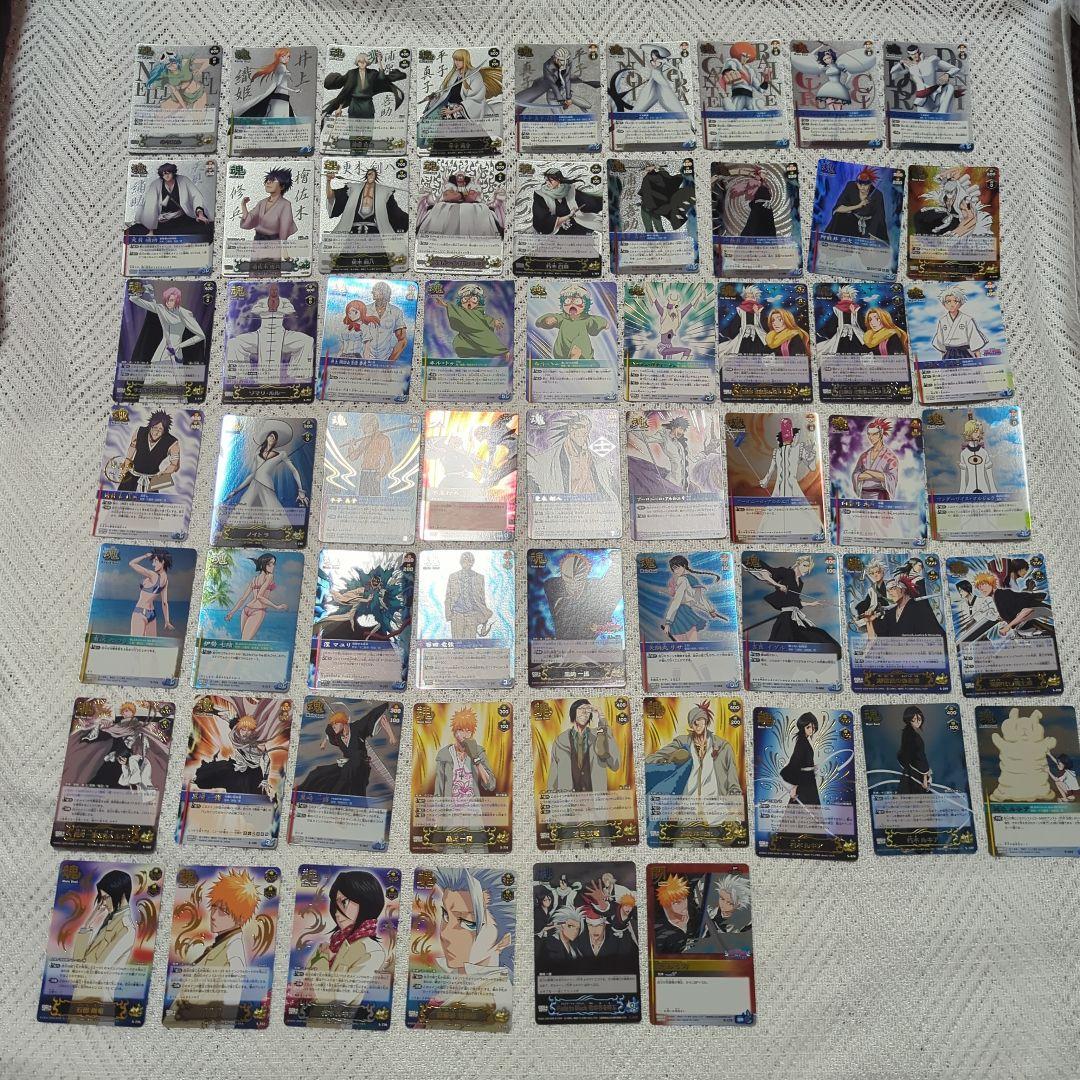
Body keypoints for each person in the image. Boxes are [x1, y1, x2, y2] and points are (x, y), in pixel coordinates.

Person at [430, 867, 513, 1016]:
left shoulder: (492, 997)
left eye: (468, 922)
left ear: (503, 941)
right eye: (446, 916)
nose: (444, 933)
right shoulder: (454, 980)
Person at [646, 701, 742, 825]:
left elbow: (733, 781)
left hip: (716, 809)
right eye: (693, 722)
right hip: (688, 808)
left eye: (699, 720)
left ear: (706, 721)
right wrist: (670, 761)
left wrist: (735, 807)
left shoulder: (723, 746)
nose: (696, 724)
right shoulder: (682, 742)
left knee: (719, 836)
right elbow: (653, 758)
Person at [304, 870, 388, 1008]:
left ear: (366, 901)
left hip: (336, 1019)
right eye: (335, 904)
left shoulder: (371, 951)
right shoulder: (335, 942)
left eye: (344, 902)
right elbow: (304, 982)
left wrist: (323, 958)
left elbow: (334, 1001)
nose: (337, 913)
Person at [221, 421, 310, 533]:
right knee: (242, 508)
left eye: (275, 437)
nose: (272, 438)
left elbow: (294, 470)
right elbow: (252, 475)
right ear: (267, 437)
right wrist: (235, 491)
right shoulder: (257, 454)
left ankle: (282, 535)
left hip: (267, 486)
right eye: (271, 436)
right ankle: (230, 533)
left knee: (275, 514)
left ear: (276, 441)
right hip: (254, 485)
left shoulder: (281, 454)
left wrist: (301, 490)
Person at [742, 555, 842, 654]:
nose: (806, 569)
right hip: (786, 618)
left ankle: (830, 653)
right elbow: (766, 575)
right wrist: (778, 585)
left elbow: (795, 601)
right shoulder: (786, 572)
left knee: (815, 634)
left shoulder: (800, 583)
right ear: (798, 564)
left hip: (794, 616)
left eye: (808, 567)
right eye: (804, 565)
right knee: (784, 641)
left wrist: (812, 604)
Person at [296, 703, 396, 799]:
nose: (334, 726)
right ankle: (299, 792)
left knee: (347, 774)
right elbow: (328, 733)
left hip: (361, 766)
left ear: (343, 722)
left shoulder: (357, 728)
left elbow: (376, 717)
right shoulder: (338, 737)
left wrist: (391, 735)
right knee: (319, 772)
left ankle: (333, 797)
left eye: (336, 723)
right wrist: (324, 742)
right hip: (348, 764)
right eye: (333, 725)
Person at [225, 283, 314, 386]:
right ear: (269, 291)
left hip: (281, 334)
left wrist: (277, 309)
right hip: (261, 334)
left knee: (307, 341)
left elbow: (290, 309)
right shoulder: (262, 301)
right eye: (272, 290)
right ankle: (238, 378)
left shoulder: (284, 301)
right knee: (234, 343)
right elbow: (255, 310)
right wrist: (267, 308)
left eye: (275, 290)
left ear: (278, 290)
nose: (274, 291)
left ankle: (300, 376)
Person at [126, 284, 206, 387]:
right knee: (152, 386)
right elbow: (133, 299)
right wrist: (143, 290)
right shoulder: (161, 309)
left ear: (177, 300)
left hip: (174, 353)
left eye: (171, 300)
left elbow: (201, 336)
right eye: (167, 300)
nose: (168, 302)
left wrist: (179, 346)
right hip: (159, 353)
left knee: (172, 385)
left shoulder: (184, 313)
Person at [433, 707, 496, 832]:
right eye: (461, 730)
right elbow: (438, 790)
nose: (464, 735)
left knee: (478, 843)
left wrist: (475, 758)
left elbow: (491, 785)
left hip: (473, 814)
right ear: (454, 731)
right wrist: (437, 818)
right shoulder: (444, 755)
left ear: (472, 733)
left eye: (468, 731)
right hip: (451, 816)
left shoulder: (479, 752)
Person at [193, 710, 281, 797]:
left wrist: (265, 779)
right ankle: (199, 779)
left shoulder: (258, 743)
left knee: (253, 794)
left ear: (253, 731)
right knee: (219, 770)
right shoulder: (236, 733)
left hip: (253, 771)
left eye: (249, 730)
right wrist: (212, 710)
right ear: (239, 729)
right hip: (238, 766)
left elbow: (267, 760)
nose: (245, 733)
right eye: (243, 730)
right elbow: (226, 716)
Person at [546, 699, 620, 792]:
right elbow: (554, 774)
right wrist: (552, 797)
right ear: (573, 712)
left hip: (595, 797)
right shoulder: (560, 740)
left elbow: (615, 765)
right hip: (569, 798)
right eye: (581, 708)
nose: (584, 712)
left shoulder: (599, 736)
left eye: (588, 710)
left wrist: (601, 716)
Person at [71, 869, 136, 965]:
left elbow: (99, 969)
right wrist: (87, 924)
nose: (103, 903)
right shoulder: (110, 920)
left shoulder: (126, 929)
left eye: (106, 897)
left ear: (121, 894)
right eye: (102, 898)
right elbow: (77, 963)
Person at [419, 49, 502, 124]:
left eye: (459, 60)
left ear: (466, 60)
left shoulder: (475, 75)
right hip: (447, 107)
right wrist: (431, 97)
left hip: (461, 112)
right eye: (455, 60)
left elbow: (474, 100)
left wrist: (452, 111)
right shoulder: (454, 74)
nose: (456, 62)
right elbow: (443, 91)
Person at [130, 162, 211, 237]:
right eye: (164, 174)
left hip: (181, 217)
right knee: (135, 231)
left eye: (168, 173)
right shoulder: (155, 184)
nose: (166, 176)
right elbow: (150, 205)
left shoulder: (184, 180)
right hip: (161, 220)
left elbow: (196, 196)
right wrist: (151, 230)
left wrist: (200, 214)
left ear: (173, 172)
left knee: (205, 229)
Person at [428, 283, 509, 359]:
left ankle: (502, 352)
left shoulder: (479, 312)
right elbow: (455, 310)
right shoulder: (461, 312)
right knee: (459, 344)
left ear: (478, 301)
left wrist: (494, 322)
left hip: (482, 336)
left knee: (490, 342)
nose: (469, 302)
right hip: (466, 338)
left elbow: (485, 319)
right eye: (465, 299)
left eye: (473, 299)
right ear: (461, 301)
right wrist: (445, 305)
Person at [324, 165, 408, 237]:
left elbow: (394, 212)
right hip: (353, 232)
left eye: (373, 174)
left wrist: (409, 219)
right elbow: (331, 196)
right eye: (369, 174)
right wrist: (328, 181)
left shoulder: (384, 192)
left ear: (376, 177)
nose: (371, 176)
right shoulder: (352, 189)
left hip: (373, 233)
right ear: (366, 176)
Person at [322, 50, 406, 121]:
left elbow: (382, 78)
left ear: (367, 63)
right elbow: (345, 92)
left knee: (368, 130)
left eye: (364, 62)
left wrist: (379, 61)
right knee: (353, 130)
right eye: (360, 61)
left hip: (367, 104)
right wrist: (339, 108)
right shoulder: (351, 73)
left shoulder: (372, 73)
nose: (362, 64)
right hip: (354, 104)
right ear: (357, 62)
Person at [416, 171, 505, 237]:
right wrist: (460, 195)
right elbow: (448, 196)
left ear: (464, 178)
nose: (460, 177)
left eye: (461, 176)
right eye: (458, 176)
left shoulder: (471, 186)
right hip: (448, 206)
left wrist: (461, 195)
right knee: (441, 210)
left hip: (473, 207)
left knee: (479, 211)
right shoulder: (450, 186)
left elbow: (471, 198)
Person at [659, 556, 728, 641]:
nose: (675, 571)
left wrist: (668, 622)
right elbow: (698, 599)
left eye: (677, 568)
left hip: (680, 614)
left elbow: (678, 601)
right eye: (673, 569)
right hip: (684, 613)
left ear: (684, 565)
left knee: (685, 644)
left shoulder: (683, 580)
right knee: (691, 642)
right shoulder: (692, 579)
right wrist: (710, 610)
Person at [339, 281, 409, 365]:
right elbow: (350, 331)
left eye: (375, 289)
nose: (372, 292)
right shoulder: (365, 310)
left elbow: (402, 340)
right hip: (363, 358)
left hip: (386, 358)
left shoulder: (396, 312)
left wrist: (390, 362)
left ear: (383, 292)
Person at [238, 168, 298, 265]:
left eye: (273, 181)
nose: (268, 183)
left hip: (273, 244)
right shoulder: (262, 203)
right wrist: (243, 205)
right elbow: (250, 219)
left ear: (282, 186)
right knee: (255, 270)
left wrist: (285, 252)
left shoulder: (285, 204)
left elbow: (284, 229)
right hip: (257, 243)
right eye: (267, 180)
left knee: (270, 270)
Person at [533, 283, 609, 359]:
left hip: (583, 354)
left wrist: (605, 323)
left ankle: (576, 355)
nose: (572, 304)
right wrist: (549, 320)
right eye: (568, 301)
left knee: (581, 340)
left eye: (577, 301)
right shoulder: (563, 318)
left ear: (585, 304)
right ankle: (569, 358)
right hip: (563, 352)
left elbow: (596, 321)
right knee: (563, 348)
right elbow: (555, 317)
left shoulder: (586, 319)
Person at [225, 553, 290, 641]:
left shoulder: (254, 579)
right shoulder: (269, 576)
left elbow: (243, 599)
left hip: (246, 609)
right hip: (258, 611)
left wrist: (232, 613)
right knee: (245, 641)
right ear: (263, 564)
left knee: (244, 641)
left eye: (274, 564)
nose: (273, 566)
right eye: (270, 564)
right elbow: (259, 596)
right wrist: (276, 607)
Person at [515, 45, 598, 113]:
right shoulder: (548, 66)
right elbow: (552, 84)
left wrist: (568, 98)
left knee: (588, 106)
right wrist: (561, 101)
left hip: (563, 91)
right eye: (562, 60)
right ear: (556, 59)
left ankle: (577, 104)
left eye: (566, 60)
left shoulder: (568, 62)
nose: (564, 63)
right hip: (552, 94)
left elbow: (567, 79)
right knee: (561, 119)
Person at [864, 573, 947, 641]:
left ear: (903, 589)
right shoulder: (890, 614)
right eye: (888, 590)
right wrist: (869, 621)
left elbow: (936, 637)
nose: (890, 593)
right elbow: (877, 640)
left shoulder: (919, 609)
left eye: (892, 588)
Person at [117, 410, 180, 492]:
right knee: (120, 497)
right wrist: (126, 465)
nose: (156, 432)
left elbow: (175, 465)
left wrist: (163, 475)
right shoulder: (140, 431)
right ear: (150, 426)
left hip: (152, 480)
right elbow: (132, 447)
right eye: (155, 428)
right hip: (131, 475)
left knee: (151, 500)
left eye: (160, 429)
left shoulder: (172, 442)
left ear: (165, 430)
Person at [823, 166, 889, 241]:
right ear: (856, 183)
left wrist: (871, 234)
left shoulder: (877, 195)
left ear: (870, 184)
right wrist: (858, 205)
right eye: (860, 184)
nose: (862, 187)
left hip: (869, 225)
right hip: (852, 222)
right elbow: (839, 208)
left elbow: (879, 217)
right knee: (838, 215)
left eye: (866, 184)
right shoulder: (851, 186)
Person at [890, 45, 962, 113]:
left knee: (949, 87)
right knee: (924, 118)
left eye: (916, 53)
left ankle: (942, 115)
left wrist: (947, 74)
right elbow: (892, 74)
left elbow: (955, 68)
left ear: (918, 52)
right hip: (922, 98)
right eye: (912, 54)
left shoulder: (931, 60)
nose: (915, 56)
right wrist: (901, 63)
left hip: (937, 94)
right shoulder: (909, 65)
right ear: (909, 55)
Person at [758, 416, 816, 499]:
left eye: (788, 428)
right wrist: (765, 480)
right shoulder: (777, 452)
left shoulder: (798, 449)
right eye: (784, 427)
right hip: (778, 491)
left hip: (793, 491)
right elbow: (771, 469)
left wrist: (812, 451)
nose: (786, 431)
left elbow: (812, 467)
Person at [237, 47, 300, 117]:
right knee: (285, 116)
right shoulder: (282, 67)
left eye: (288, 57)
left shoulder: (280, 66)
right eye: (283, 56)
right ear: (278, 57)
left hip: (281, 94)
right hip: (280, 94)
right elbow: (278, 84)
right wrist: (293, 90)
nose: (286, 58)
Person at [444, 552, 493, 639]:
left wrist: (484, 619)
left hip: (472, 615)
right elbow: (448, 597)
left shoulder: (479, 577)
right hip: (457, 615)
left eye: (469, 561)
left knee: (471, 643)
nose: (467, 563)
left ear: (472, 562)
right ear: (460, 562)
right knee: (457, 643)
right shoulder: (453, 576)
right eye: (464, 561)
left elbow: (482, 598)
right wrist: (449, 614)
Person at [344, 413, 394, 496]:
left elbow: (389, 460)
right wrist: (351, 446)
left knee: (375, 499)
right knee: (362, 499)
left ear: (372, 425)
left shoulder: (384, 439)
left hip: (375, 474)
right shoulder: (366, 440)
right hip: (364, 474)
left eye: (365, 427)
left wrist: (381, 474)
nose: (363, 430)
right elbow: (353, 457)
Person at [128, 550, 174, 637]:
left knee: (135, 643)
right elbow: (164, 603)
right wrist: (167, 621)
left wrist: (145, 556)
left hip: (140, 612)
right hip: (152, 614)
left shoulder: (153, 575)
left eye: (155, 561)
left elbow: (132, 563)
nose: (153, 564)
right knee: (150, 644)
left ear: (162, 562)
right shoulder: (166, 581)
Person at [852, 418, 899, 500]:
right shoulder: (864, 455)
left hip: (881, 496)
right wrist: (879, 476)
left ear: (881, 433)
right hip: (864, 496)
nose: (871, 437)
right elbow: (856, 475)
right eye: (869, 434)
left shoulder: (890, 457)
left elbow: (892, 478)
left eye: (874, 434)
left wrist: (868, 472)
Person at [636, 163, 693, 232]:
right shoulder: (646, 178)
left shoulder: (659, 175)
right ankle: (650, 234)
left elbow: (667, 179)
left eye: (649, 166)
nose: (647, 168)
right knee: (647, 224)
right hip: (646, 205)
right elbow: (645, 191)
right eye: (647, 167)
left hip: (656, 205)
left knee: (658, 225)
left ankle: (660, 233)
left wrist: (660, 168)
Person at [932, 291, 988, 358]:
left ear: (961, 303)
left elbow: (974, 339)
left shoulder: (967, 319)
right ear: (944, 304)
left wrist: (979, 359)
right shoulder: (942, 321)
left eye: (955, 301)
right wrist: (943, 356)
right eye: (948, 301)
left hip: (965, 352)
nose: (952, 304)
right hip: (948, 353)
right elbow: (940, 342)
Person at [780, 713, 821, 805]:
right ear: (803, 727)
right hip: (804, 781)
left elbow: (803, 762)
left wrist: (812, 767)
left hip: (808, 780)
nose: (811, 730)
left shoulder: (804, 741)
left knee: (808, 807)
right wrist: (794, 787)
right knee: (805, 807)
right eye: (808, 727)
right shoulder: (802, 742)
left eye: (813, 727)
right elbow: (795, 764)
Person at [897, 705, 931, 793]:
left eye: (919, 719)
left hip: (908, 771)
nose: (917, 722)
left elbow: (902, 754)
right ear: (909, 720)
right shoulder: (914, 737)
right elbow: (920, 757)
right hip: (916, 774)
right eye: (914, 719)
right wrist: (925, 777)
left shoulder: (906, 733)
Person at [957, 416, 995, 494]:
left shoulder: (983, 452)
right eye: (975, 431)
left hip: (984, 489)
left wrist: (994, 491)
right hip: (969, 489)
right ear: (969, 432)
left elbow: (990, 476)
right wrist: (961, 494)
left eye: (979, 431)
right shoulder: (964, 453)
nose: (978, 434)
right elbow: (963, 478)